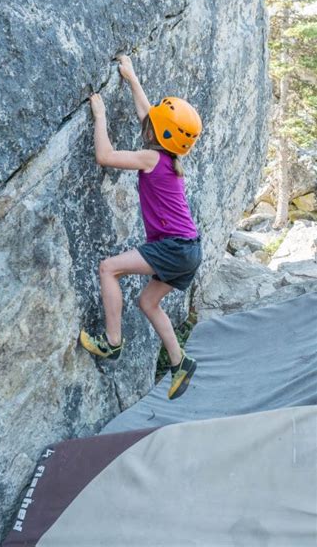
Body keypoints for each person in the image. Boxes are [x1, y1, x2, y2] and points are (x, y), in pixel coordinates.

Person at [79, 54, 203, 400]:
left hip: (174, 247)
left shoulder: (150, 157)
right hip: (188, 249)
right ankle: (180, 362)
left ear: (159, 133)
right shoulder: (170, 155)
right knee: (148, 302)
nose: (147, 121)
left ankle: (112, 343)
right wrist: (131, 78)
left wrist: (100, 116)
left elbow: (105, 156)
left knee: (108, 269)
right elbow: (150, 117)